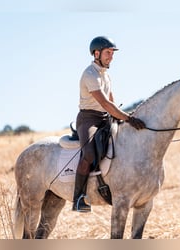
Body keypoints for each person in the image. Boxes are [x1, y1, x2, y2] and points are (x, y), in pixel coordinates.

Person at [72, 36, 145, 212]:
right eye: (108, 53)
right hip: (88, 119)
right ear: (96, 54)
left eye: (112, 53)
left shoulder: (106, 75)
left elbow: (111, 101)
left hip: (105, 117)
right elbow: (104, 103)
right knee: (89, 153)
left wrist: (121, 117)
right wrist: (128, 118)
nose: (111, 57)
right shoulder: (90, 74)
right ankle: (78, 198)